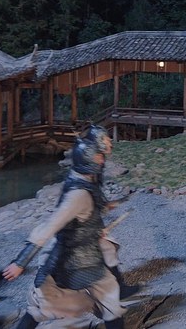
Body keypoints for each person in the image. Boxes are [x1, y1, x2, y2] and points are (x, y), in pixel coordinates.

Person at [3, 137, 126, 329]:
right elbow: (51, 225)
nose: (102, 159)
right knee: (110, 301)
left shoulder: (79, 180)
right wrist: (20, 262)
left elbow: (81, 218)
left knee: (40, 304)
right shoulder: (78, 194)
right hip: (80, 259)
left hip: (72, 254)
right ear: (87, 160)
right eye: (98, 156)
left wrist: (96, 227)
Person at [83, 125, 141, 299]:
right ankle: (111, 290)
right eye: (106, 139)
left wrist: (104, 205)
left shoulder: (96, 161)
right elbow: (82, 197)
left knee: (106, 249)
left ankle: (114, 288)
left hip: (86, 218)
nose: (110, 142)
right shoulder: (88, 163)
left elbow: (93, 192)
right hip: (79, 223)